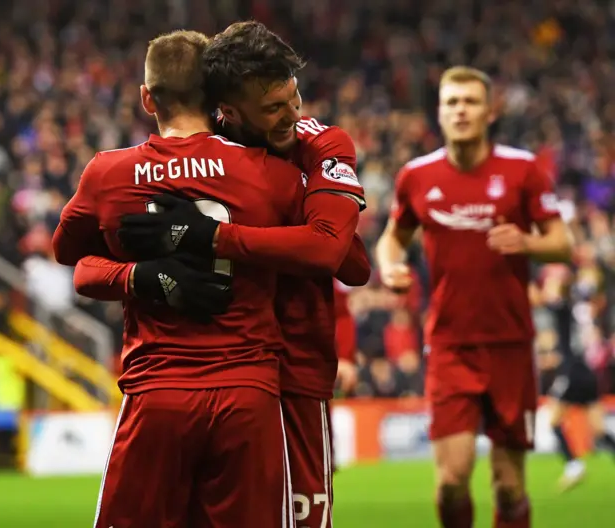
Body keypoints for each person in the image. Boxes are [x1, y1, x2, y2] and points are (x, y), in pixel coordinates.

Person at [72, 21, 370, 528]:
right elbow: (80, 265)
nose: (293, 118)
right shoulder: (224, 161)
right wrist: (142, 274)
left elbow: (343, 257)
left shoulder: (321, 145)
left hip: (294, 370)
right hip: (239, 380)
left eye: (294, 99)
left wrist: (209, 237)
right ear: (227, 111)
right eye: (274, 108)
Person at [375, 66, 573, 528]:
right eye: (451, 102)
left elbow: (562, 241)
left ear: (490, 111)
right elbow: (392, 237)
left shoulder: (523, 170)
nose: (460, 110)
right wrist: (389, 266)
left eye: (470, 101)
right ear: (439, 113)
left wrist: (528, 243)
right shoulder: (417, 176)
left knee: (509, 487)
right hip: (449, 345)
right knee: (451, 479)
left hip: (510, 345)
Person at [535, 261, 615, 490]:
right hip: (588, 372)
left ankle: (573, 465)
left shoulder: (562, 307)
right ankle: (576, 465)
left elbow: (546, 297)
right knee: (599, 431)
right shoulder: (583, 307)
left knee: (552, 422)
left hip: (572, 371)